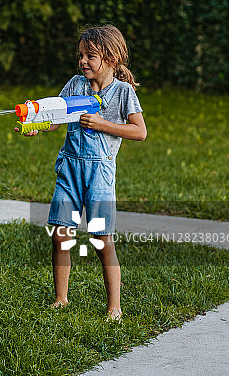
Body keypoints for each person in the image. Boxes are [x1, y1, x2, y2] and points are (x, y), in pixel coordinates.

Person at [17, 25, 146, 322]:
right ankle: (61, 299)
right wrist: (32, 125)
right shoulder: (75, 85)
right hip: (70, 172)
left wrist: (103, 124)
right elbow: (53, 121)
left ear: (111, 58)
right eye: (81, 55)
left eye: (90, 56)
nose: (83, 61)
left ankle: (114, 306)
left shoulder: (123, 92)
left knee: (102, 241)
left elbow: (140, 132)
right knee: (60, 235)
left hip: (99, 176)